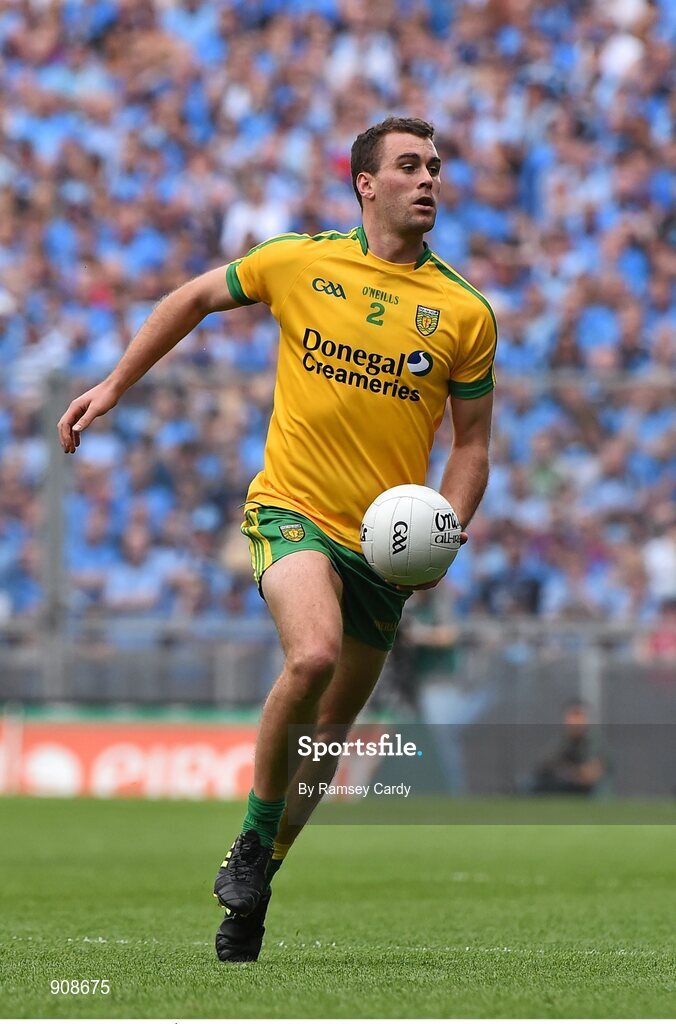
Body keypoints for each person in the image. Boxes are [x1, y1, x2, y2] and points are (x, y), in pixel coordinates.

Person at [57, 117, 497, 962]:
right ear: (365, 182)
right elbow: (191, 297)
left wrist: (449, 523)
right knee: (313, 657)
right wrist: (115, 382)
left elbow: (472, 443)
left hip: (386, 549)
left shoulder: (465, 312)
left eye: (435, 166)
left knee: (328, 736)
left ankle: (260, 882)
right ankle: (253, 841)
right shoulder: (298, 261)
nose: (428, 178)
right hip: (291, 507)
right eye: (409, 165)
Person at [531, 700, 610, 796]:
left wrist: (569, 772)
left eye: (579, 715)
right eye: (572, 716)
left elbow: (590, 775)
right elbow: (544, 765)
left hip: (590, 793)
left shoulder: (595, 741)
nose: (575, 721)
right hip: (560, 788)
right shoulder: (563, 741)